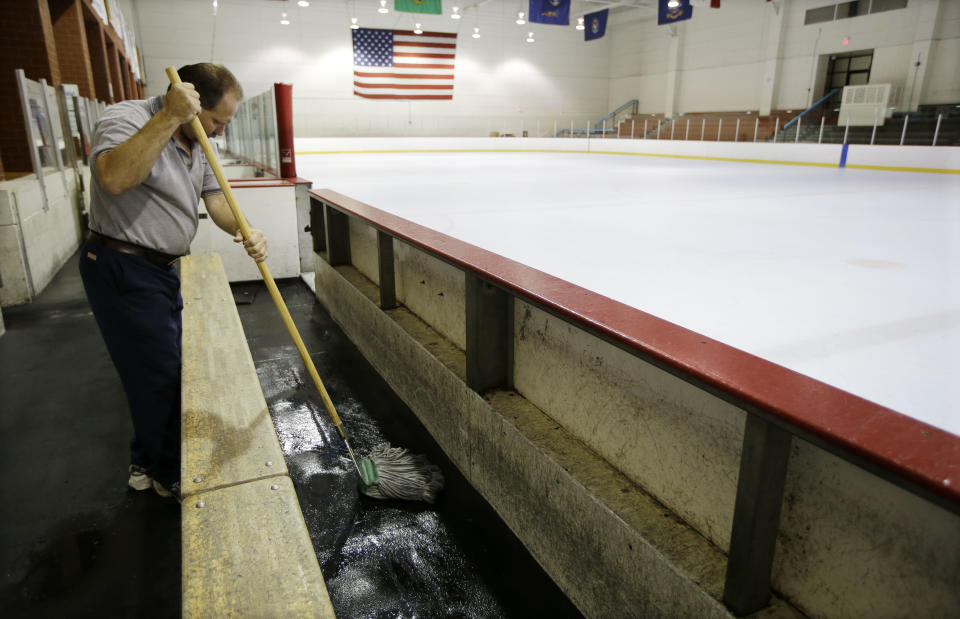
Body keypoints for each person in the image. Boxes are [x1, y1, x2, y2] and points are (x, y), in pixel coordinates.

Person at [79, 63, 266, 499]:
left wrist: (244, 228)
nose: (219, 131)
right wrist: (168, 116)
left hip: (160, 270)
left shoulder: (198, 144)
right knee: (159, 375)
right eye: (217, 120)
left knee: (155, 370)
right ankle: (168, 475)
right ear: (191, 102)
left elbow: (215, 197)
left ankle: (145, 463)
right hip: (122, 267)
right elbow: (114, 178)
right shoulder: (126, 118)